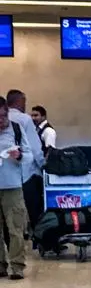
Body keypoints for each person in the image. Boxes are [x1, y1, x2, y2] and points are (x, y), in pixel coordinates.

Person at [6, 90, 45, 236]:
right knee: (34, 208)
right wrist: (43, 165)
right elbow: (34, 147)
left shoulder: (4, 119)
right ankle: (40, 238)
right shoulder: (25, 119)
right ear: (19, 101)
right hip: (27, 173)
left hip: (7, 174)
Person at [0, 96, 30, 279]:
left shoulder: (16, 129)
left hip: (12, 186)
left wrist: (19, 156)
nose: (1, 121)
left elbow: (30, 156)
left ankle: (17, 266)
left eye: (3, 116)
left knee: (16, 228)